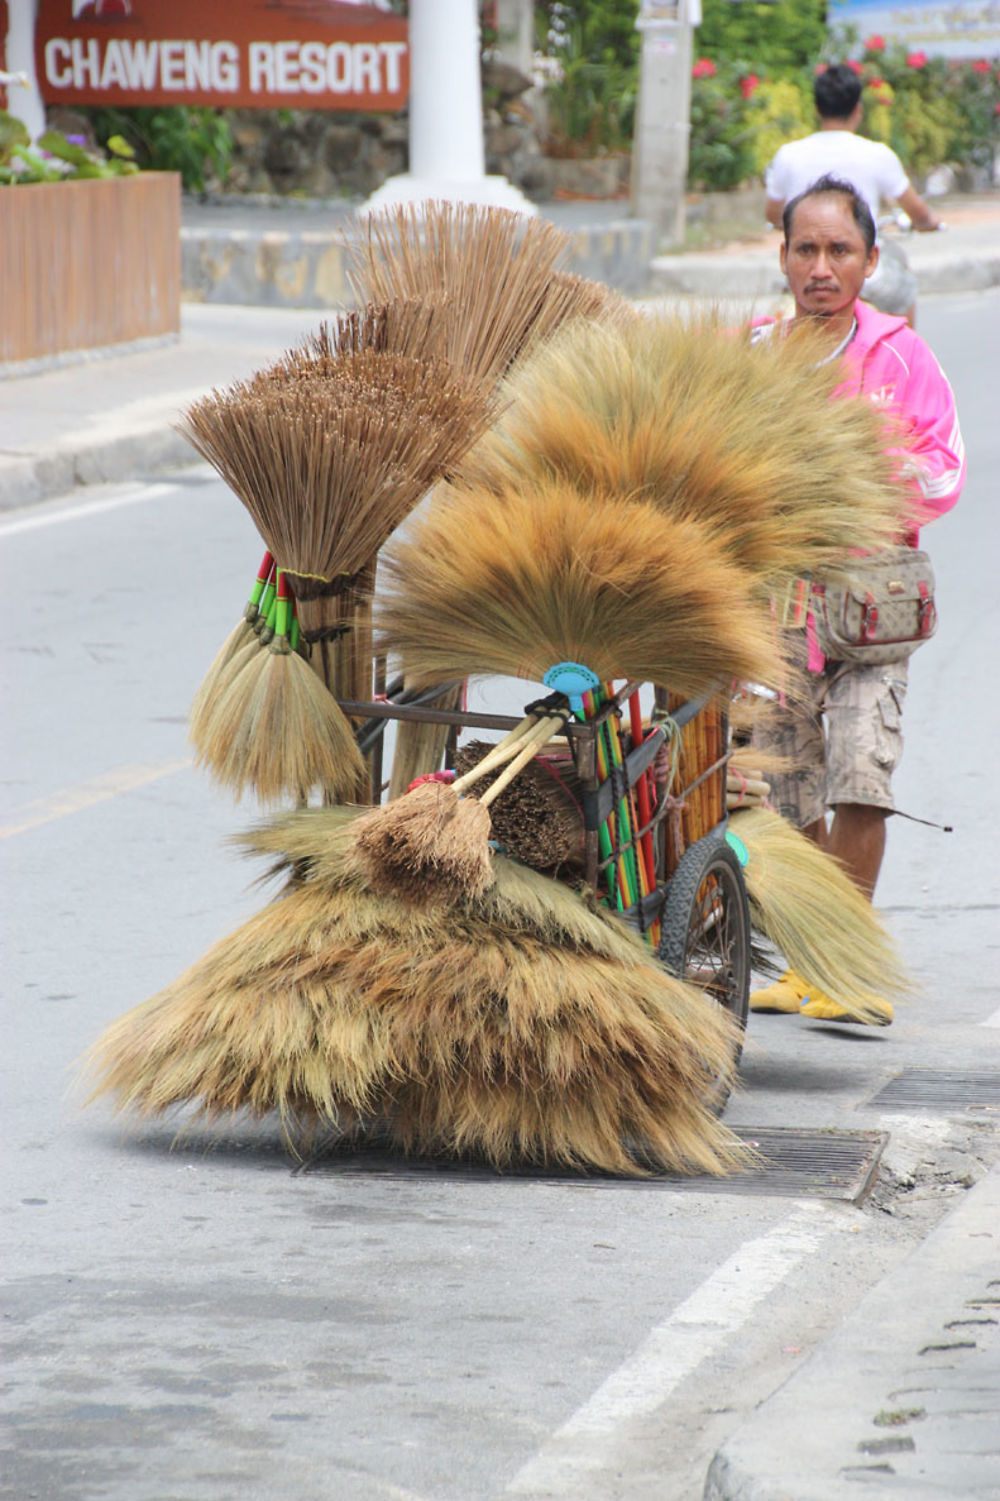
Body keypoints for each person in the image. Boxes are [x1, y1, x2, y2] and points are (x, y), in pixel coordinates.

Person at [748, 175, 965, 1025]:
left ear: (871, 261)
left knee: (858, 774)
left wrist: (863, 473)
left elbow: (944, 469)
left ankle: (848, 965)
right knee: (787, 790)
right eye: (806, 248)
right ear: (784, 257)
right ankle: (809, 963)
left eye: (841, 250)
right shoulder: (754, 353)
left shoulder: (902, 355)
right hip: (780, 612)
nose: (822, 266)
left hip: (871, 614)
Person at [764, 63, 944, 326]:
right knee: (904, 292)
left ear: (817, 109)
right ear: (858, 109)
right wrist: (929, 224)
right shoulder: (877, 154)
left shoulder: (788, 155)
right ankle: (906, 357)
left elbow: (772, 214)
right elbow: (919, 212)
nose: (823, 270)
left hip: (800, 280)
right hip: (870, 277)